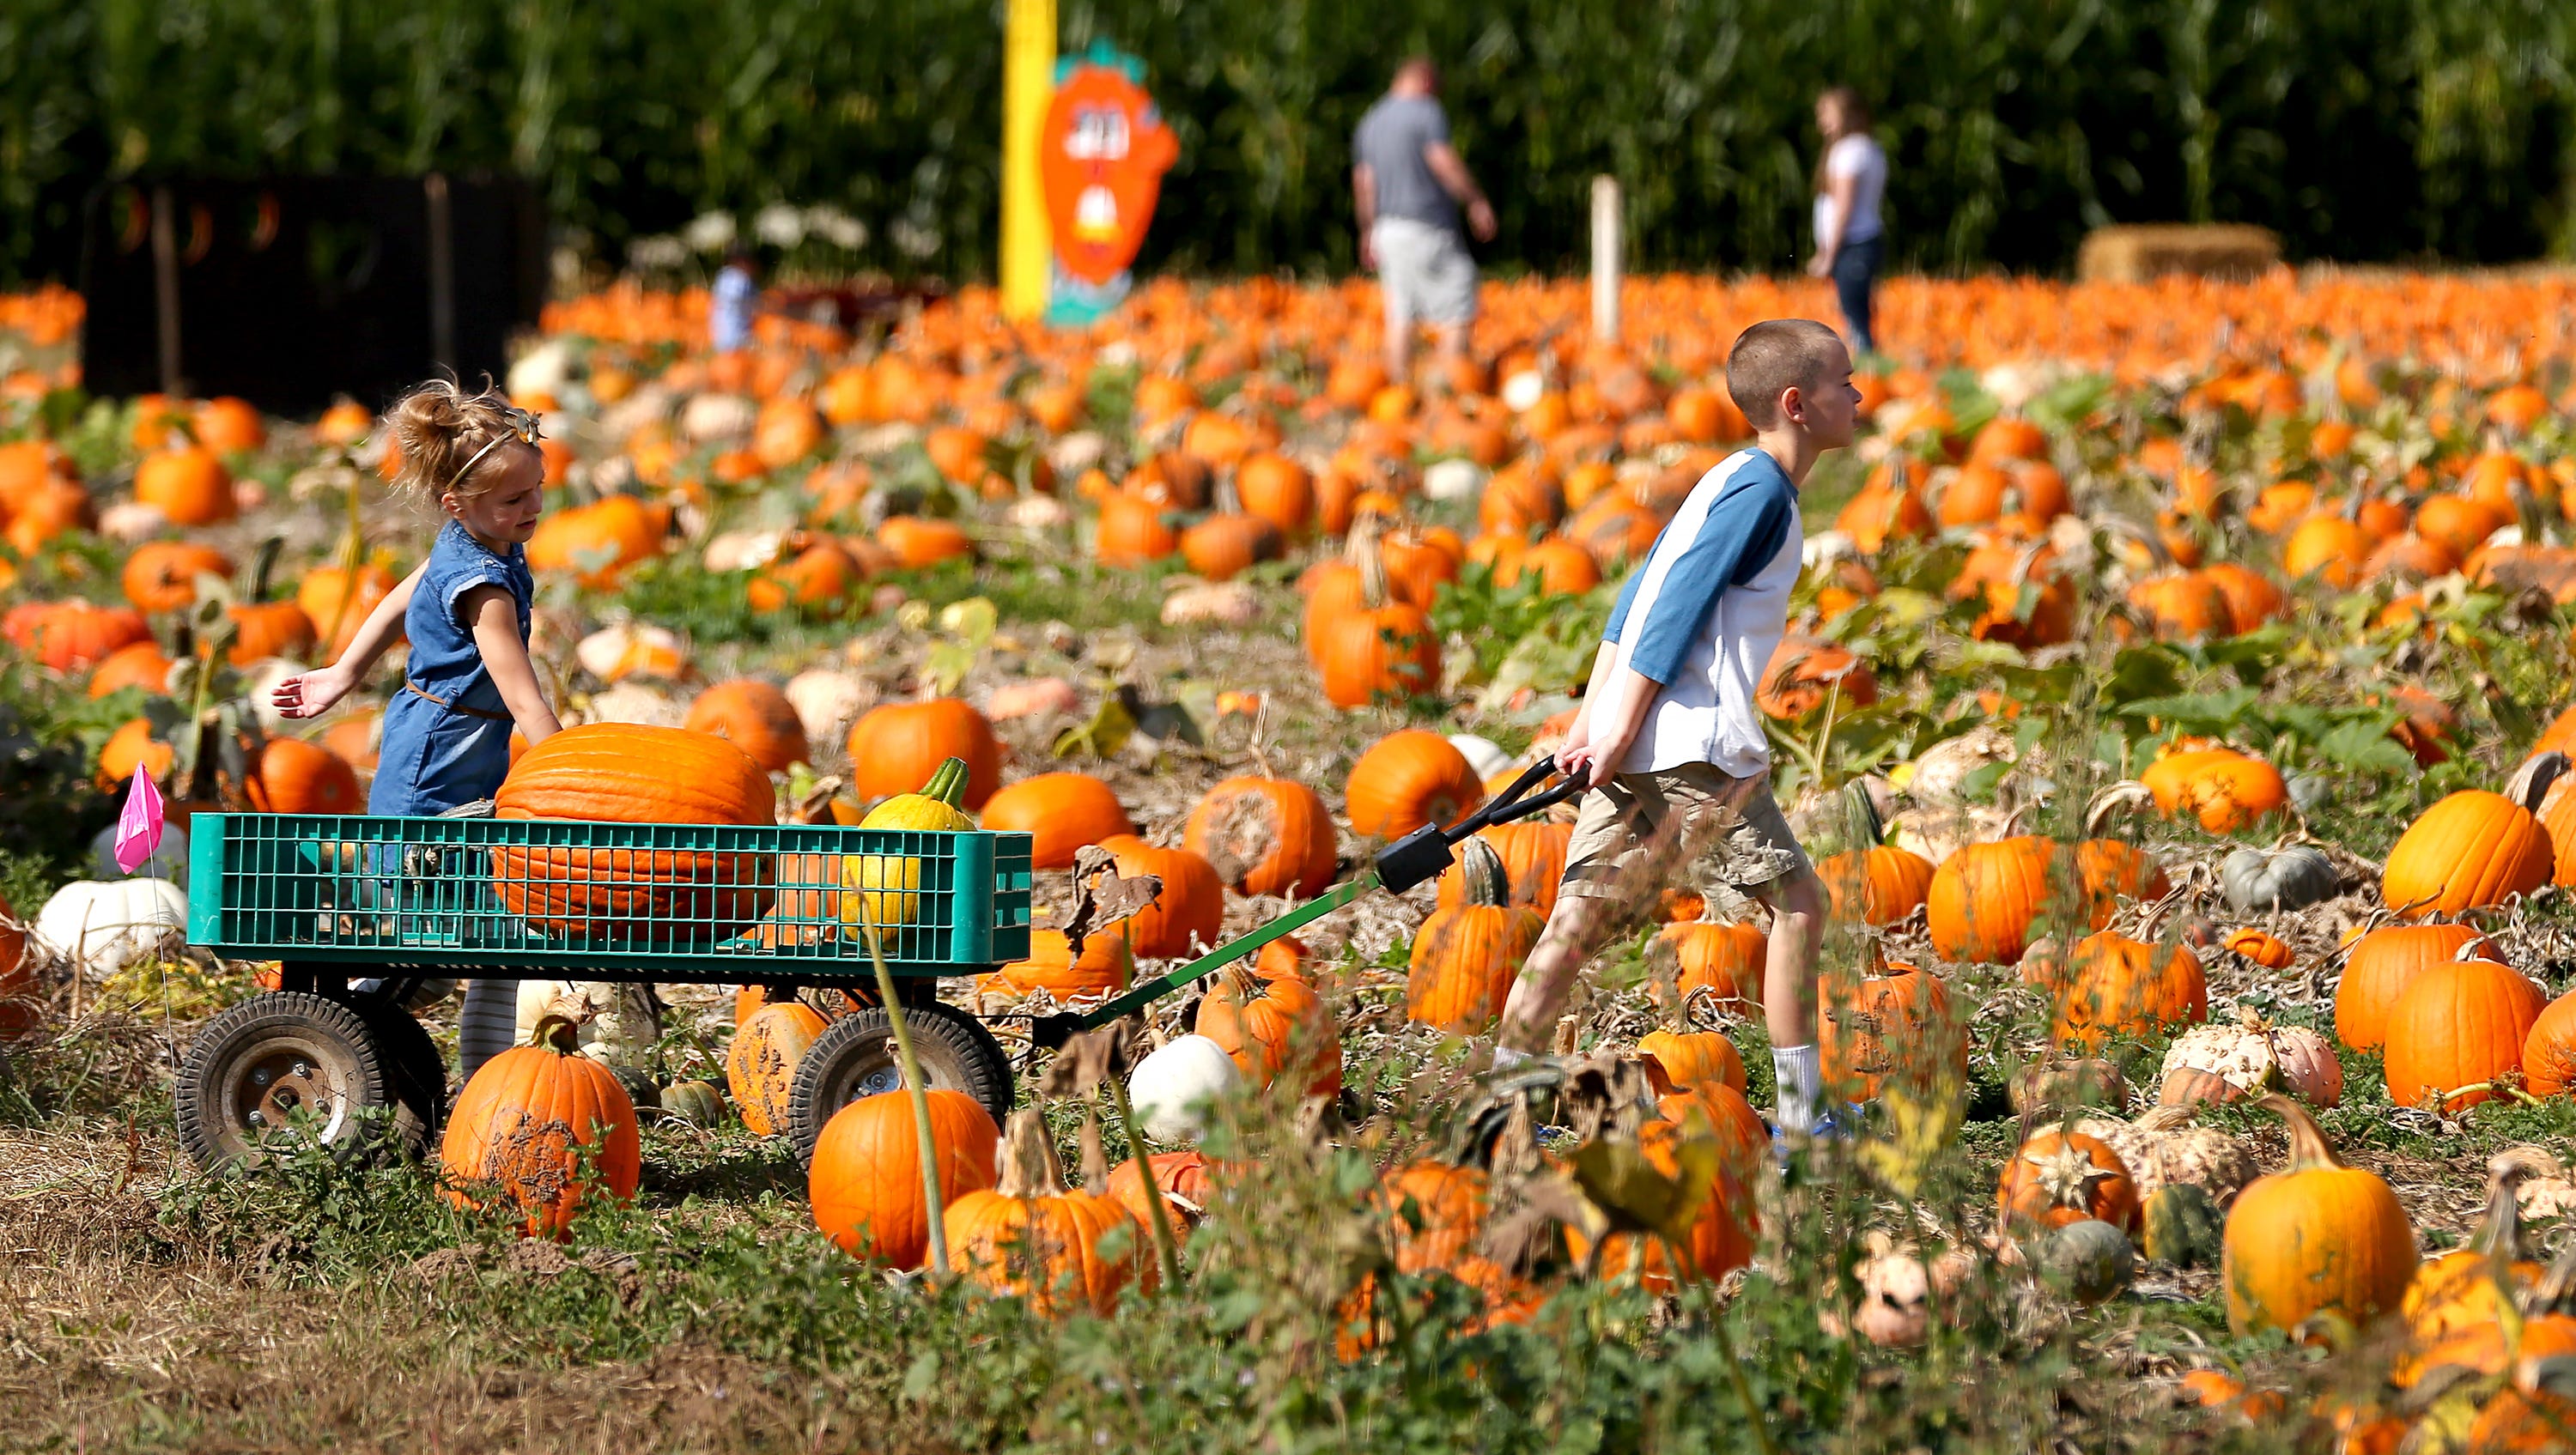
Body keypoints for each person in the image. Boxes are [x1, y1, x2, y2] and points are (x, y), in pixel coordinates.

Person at [1492, 320, 1861, 1137]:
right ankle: (1804, 1123)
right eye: (1844, 382)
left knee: (1578, 918)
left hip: (1640, 739)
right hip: (1689, 745)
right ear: (1797, 404)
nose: (1859, 395)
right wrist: (1612, 725)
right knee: (1798, 906)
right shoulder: (1761, 493)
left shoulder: (1727, 478)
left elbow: (1636, 596)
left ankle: (1498, 1112)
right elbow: (1674, 606)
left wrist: (1596, 719)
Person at [272, 380, 562, 1082]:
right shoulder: (484, 585)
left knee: (482, 929)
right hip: (437, 761)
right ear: (456, 504)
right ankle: (345, 1038)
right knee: (437, 935)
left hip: (460, 744)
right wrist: (570, 770)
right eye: (514, 499)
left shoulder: (482, 540)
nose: (532, 507)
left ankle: (478, 1074)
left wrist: (345, 671)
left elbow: (409, 587)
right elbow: (522, 692)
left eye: (537, 489)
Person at [1352, 58, 1498, 382]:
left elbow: (1364, 182)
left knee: (1401, 312)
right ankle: (1449, 389)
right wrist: (1475, 199)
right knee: (1458, 303)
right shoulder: (1425, 112)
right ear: (1427, 81)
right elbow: (1441, 159)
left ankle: (1400, 390)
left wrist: (1367, 231)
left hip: (1388, 229)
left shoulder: (1371, 120)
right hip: (1426, 225)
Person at [1806, 88, 1886, 359]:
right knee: (1857, 307)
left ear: (1850, 115)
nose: (1822, 122)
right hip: (1863, 241)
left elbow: (1844, 206)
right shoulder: (1869, 147)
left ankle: (1866, 364)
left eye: (1829, 114)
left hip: (1852, 243)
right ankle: (1866, 362)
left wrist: (1828, 254)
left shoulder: (1849, 151)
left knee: (1853, 312)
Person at [710, 246, 762, 355]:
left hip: (723, 331)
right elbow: (739, 301)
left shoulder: (724, 276)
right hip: (734, 332)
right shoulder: (738, 278)